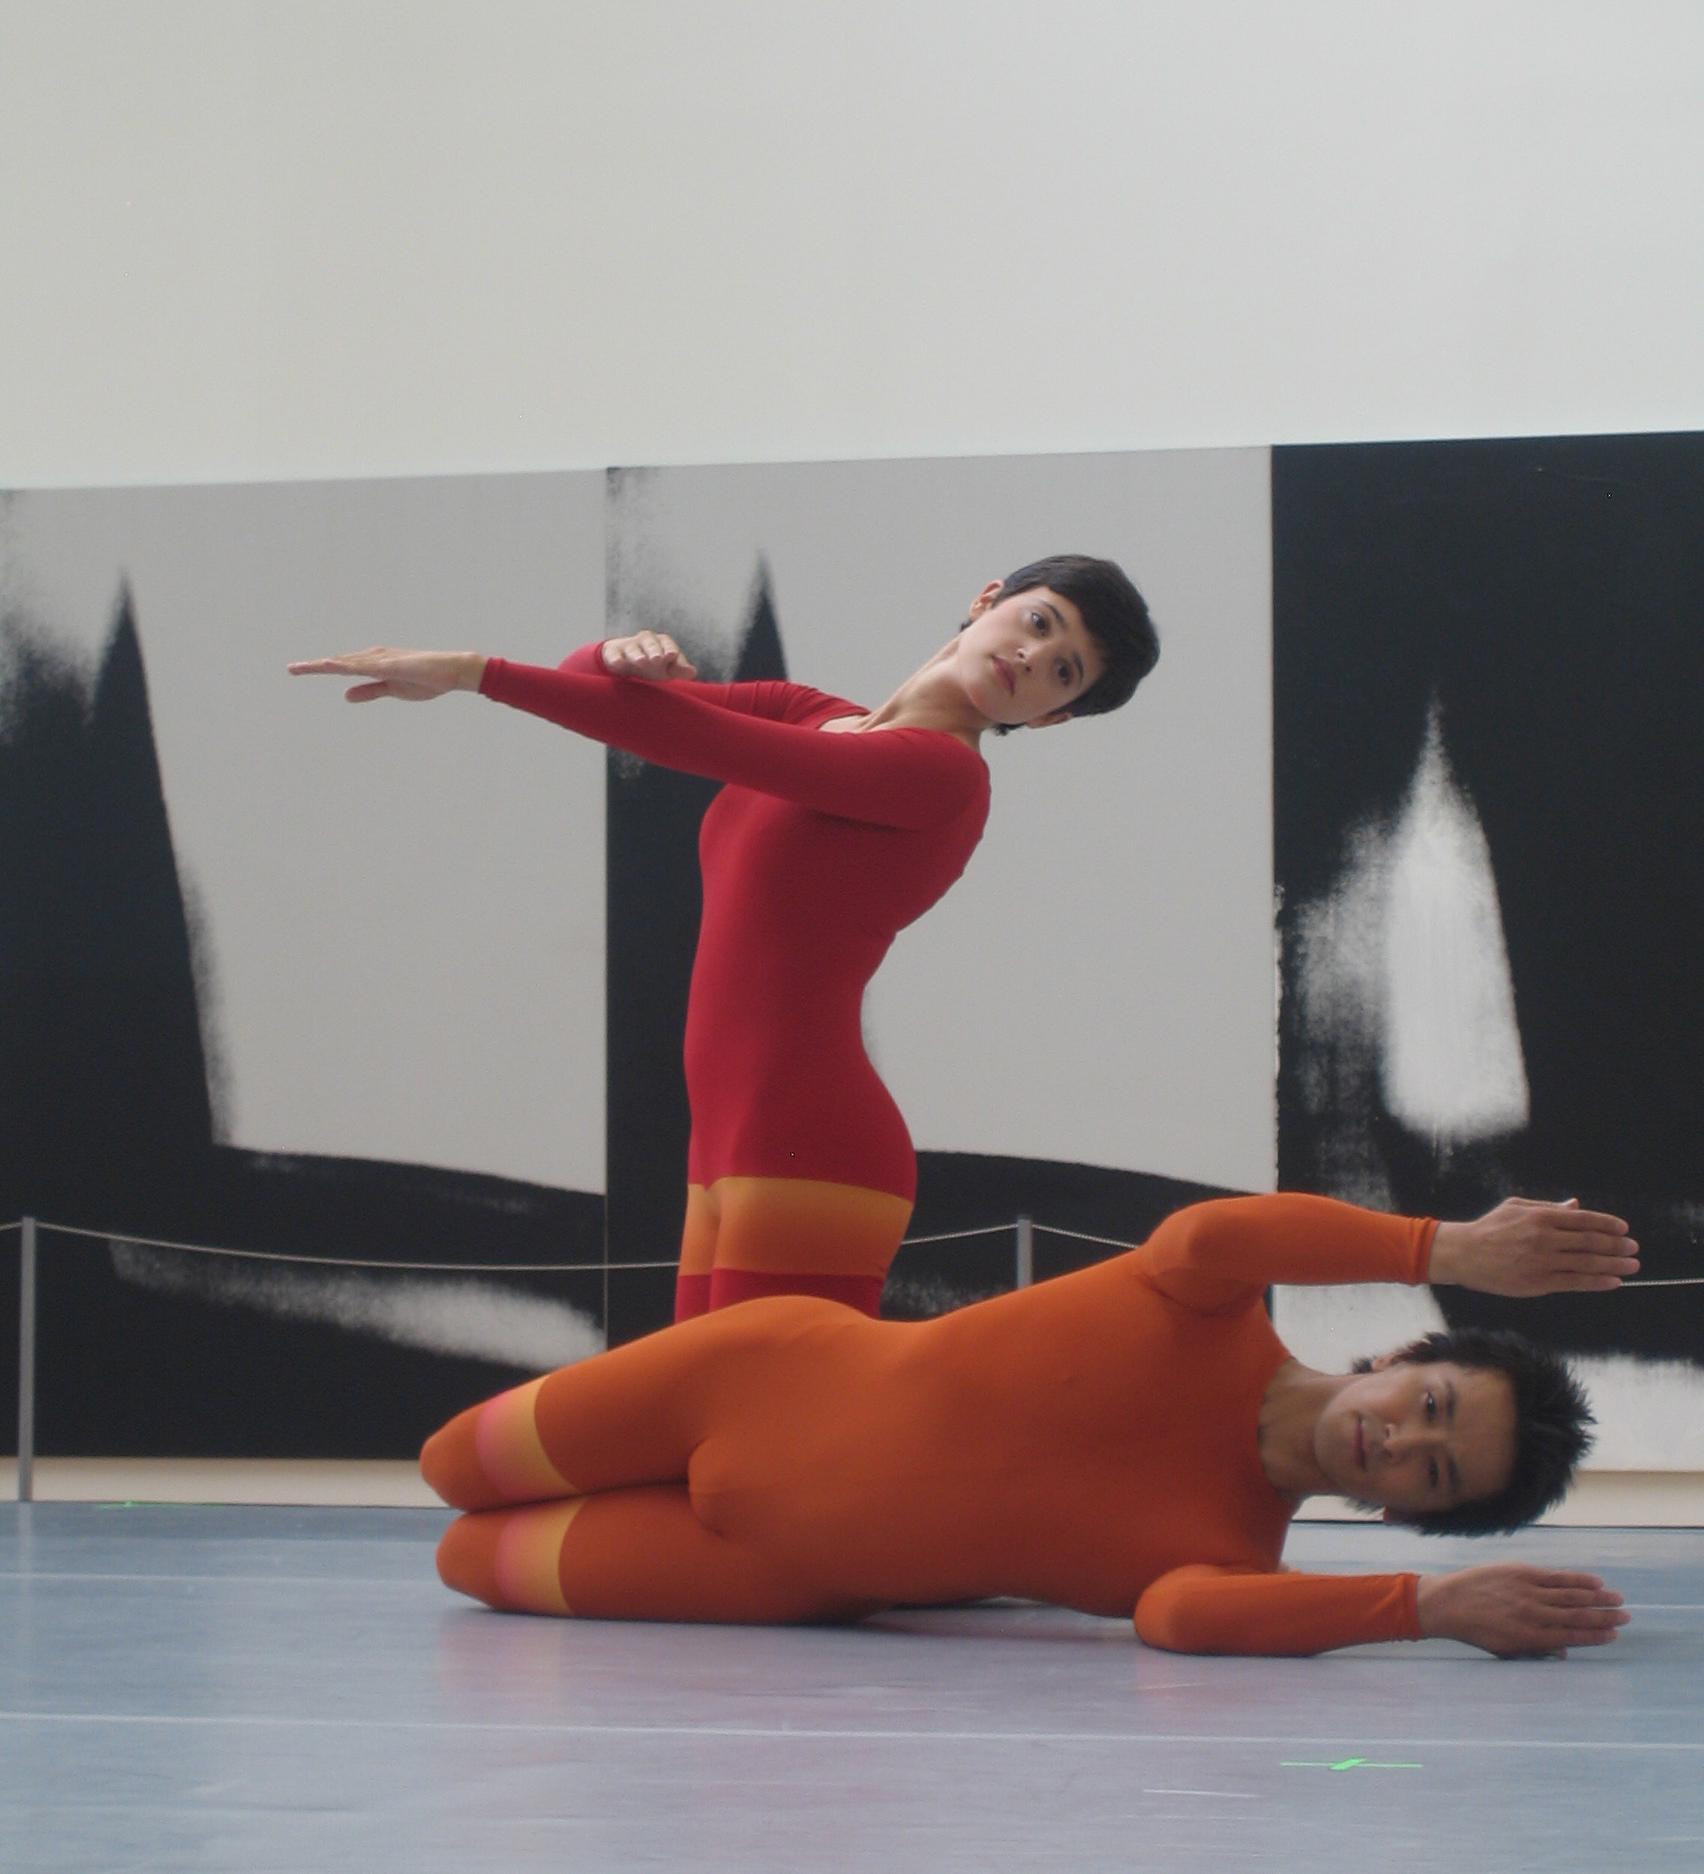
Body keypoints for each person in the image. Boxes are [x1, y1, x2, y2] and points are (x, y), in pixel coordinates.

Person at [290, 555, 1157, 1320]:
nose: (1033, 656)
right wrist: (612, 656)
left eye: (1063, 670)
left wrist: (472, 671)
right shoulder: (807, 711)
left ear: (1051, 719)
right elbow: (611, 698)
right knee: (702, 1442)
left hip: (813, 1145)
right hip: (726, 1141)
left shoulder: (941, 777)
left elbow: (685, 736)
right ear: (987, 598)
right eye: (1038, 623)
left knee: (758, 1443)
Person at [418, 1190, 1637, 1658]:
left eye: (1432, 1476)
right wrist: (1453, 1247)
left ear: (1399, 1514)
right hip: (745, 1376)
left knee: (464, 1557)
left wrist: (1429, 1610)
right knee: (443, 1469)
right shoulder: (1207, 1304)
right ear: (1403, 1351)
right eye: (1429, 1406)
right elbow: (1214, 1233)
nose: (1400, 1441)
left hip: (768, 1570)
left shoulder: (1228, 1554)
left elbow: (1177, 1616)